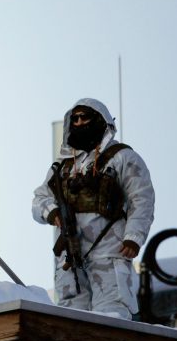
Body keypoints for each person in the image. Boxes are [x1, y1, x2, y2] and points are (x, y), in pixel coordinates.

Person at [32, 98, 155, 320]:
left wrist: (133, 237)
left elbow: (142, 198)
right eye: (75, 119)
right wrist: (52, 212)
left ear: (99, 120)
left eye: (85, 117)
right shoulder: (64, 167)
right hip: (70, 253)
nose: (79, 123)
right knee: (70, 318)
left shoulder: (122, 157)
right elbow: (39, 198)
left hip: (109, 251)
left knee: (111, 315)